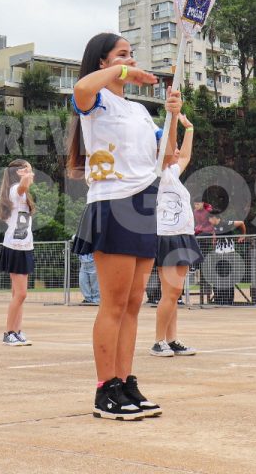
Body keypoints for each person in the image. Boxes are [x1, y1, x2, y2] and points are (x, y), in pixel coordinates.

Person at [66, 32, 181, 421]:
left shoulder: (139, 112)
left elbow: (168, 156)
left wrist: (172, 115)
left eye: (132, 55)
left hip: (143, 202)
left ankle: (126, 381)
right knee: (113, 304)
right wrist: (126, 72)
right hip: (112, 203)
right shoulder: (96, 101)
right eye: (121, 55)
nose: (130, 60)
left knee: (134, 304)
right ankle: (105, 389)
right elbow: (80, 87)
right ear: (103, 62)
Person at [150, 113, 200, 358]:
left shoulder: (171, 173)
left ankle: (172, 339)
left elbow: (187, 155)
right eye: (174, 147)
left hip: (181, 234)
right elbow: (168, 151)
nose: (177, 151)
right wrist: (171, 119)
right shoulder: (156, 171)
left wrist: (189, 128)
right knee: (171, 292)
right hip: (167, 235)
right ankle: (159, 341)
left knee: (174, 293)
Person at [0, 159, 36, 346]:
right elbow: (22, 186)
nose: (32, 172)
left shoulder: (23, 193)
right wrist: (25, 177)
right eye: (29, 169)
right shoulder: (15, 190)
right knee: (21, 294)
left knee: (18, 295)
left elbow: (25, 187)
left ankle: (17, 331)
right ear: (20, 172)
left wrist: (26, 177)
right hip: (15, 247)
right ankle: (9, 332)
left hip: (24, 246)